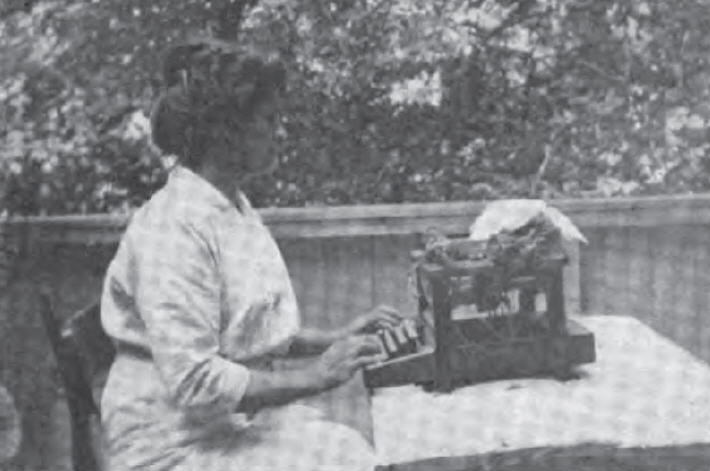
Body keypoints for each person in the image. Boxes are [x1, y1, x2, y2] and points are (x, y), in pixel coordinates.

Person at [99, 39, 400, 471]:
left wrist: (336, 336)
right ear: (225, 130)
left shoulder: (229, 205)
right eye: (269, 120)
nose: (280, 132)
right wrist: (315, 376)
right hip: (170, 444)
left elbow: (248, 328)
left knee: (350, 451)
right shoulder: (173, 226)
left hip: (225, 424)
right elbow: (195, 381)